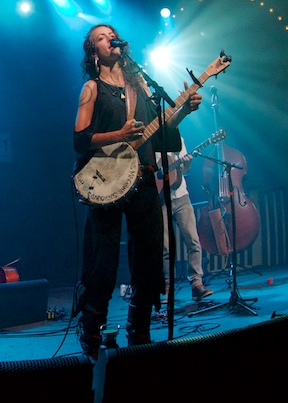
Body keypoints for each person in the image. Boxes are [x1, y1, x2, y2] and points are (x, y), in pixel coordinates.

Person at [72, 24, 201, 357]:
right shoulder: (92, 88)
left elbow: (162, 129)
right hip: (108, 182)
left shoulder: (139, 84)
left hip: (144, 178)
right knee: (104, 261)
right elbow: (80, 139)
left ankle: (139, 329)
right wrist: (119, 134)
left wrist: (184, 108)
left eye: (112, 34)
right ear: (93, 51)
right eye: (101, 37)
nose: (109, 39)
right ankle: (91, 334)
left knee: (148, 259)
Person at [158, 138, 213, 303]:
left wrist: (186, 163)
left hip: (181, 196)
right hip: (160, 199)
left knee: (193, 241)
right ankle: (167, 289)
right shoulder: (151, 140)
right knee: (165, 248)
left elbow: (185, 169)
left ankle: (197, 285)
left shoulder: (178, 139)